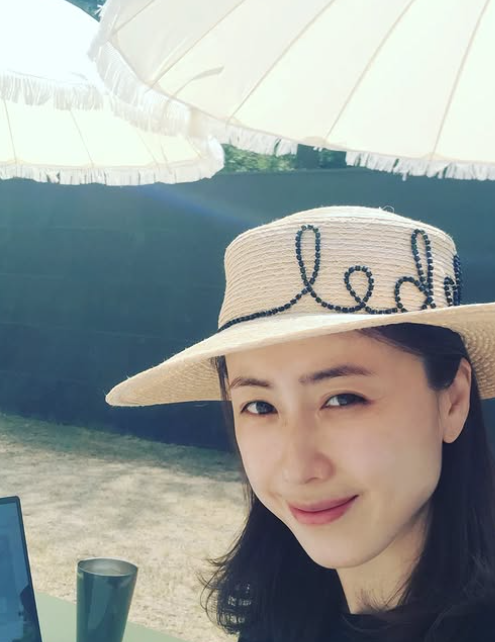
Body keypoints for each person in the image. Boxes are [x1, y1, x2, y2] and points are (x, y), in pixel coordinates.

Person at [106, 206, 495, 642]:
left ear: (453, 401)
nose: (298, 468)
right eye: (260, 406)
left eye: (343, 399)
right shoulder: (279, 613)